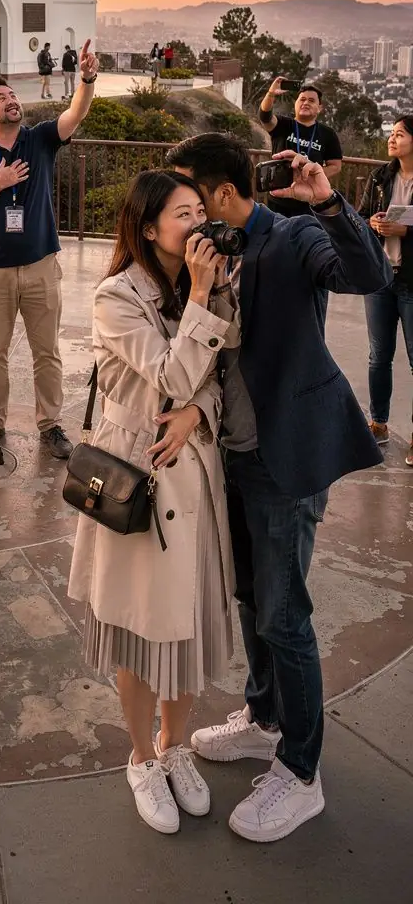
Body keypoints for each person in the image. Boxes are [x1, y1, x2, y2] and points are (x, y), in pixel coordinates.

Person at [164, 132, 390, 842]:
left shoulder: (293, 237)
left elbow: (365, 275)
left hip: (284, 457)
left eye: (191, 198)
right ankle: (264, 721)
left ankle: (301, 772)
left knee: (284, 617)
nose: (187, 212)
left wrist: (331, 207)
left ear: (223, 193)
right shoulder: (216, 252)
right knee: (250, 598)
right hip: (230, 454)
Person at [68, 171, 239, 836]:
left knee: (187, 626)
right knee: (140, 629)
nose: (198, 225)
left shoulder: (211, 284)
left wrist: (198, 412)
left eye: (202, 210)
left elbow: (214, 380)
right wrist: (201, 295)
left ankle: (175, 748)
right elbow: (167, 373)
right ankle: (141, 757)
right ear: (147, 228)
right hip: (136, 480)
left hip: (194, 477)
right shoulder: (118, 296)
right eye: (183, 214)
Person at [0, 39, 99, 459]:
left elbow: (75, 114)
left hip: (40, 265)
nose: (11, 101)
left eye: (13, 96)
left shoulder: (39, 140)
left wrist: (86, 79)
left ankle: (50, 427)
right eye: (1, 98)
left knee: (46, 352)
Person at [358, 114, 413, 460]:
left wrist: (407, 232)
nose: (392, 140)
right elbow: (361, 214)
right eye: (391, 134)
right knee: (379, 356)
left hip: (411, 281)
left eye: (400, 134)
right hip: (380, 277)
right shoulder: (381, 177)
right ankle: (378, 423)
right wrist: (372, 222)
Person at [259, 79, 342, 217]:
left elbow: (335, 166)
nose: (306, 103)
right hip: (278, 199)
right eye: (302, 99)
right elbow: (265, 116)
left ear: (319, 108)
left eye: (311, 100)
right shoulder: (282, 125)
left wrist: (311, 176)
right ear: (295, 104)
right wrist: (271, 94)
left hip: (309, 201)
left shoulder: (328, 134)